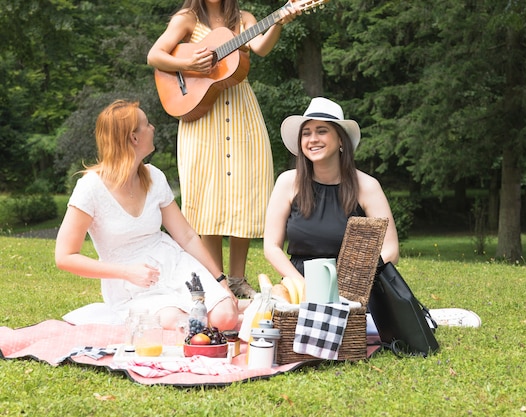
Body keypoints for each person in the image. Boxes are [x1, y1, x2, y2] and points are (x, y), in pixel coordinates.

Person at [146, 0, 301, 298]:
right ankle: (215, 278)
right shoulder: (187, 19)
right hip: (202, 114)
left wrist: (280, 20)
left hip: (241, 112)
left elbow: (261, 47)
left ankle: (237, 278)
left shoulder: (243, 18)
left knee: (244, 190)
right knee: (208, 195)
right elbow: (155, 55)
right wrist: (187, 65)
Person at [55, 100, 239, 331]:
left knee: (225, 317)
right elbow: (65, 257)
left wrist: (220, 281)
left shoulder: (154, 176)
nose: (152, 128)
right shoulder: (90, 187)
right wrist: (127, 273)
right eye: (147, 124)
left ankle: (238, 310)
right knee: (178, 321)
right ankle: (243, 312)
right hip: (130, 283)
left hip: (174, 265)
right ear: (134, 137)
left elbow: (187, 236)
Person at [263, 97, 400, 280]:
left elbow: (391, 250)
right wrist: (301, 284)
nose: (313, 139)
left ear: (341, 140)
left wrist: (350, 280)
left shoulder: (367, 186)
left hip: (353, 288)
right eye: (306, 133)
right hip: (300, 287)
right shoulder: (288, 182)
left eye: (322, 131)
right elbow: (271, 247)